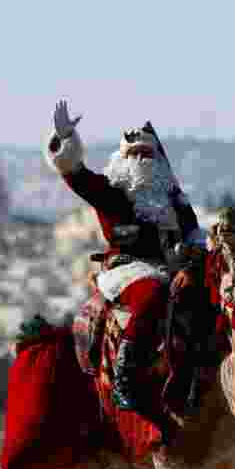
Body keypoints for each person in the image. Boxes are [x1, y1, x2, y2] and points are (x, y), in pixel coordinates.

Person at [44, 100, 208, 418]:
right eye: (133, 155)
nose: (140, 160)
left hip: (175, 267)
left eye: (146, 154)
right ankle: (125, 375)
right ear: (122, 158)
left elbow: (193, 235)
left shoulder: (174, 199)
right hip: (130, 269)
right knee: (153, 293)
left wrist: (192, 265)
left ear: (158, 159)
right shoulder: (111, 192)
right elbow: (76, 175)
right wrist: (64, 141)